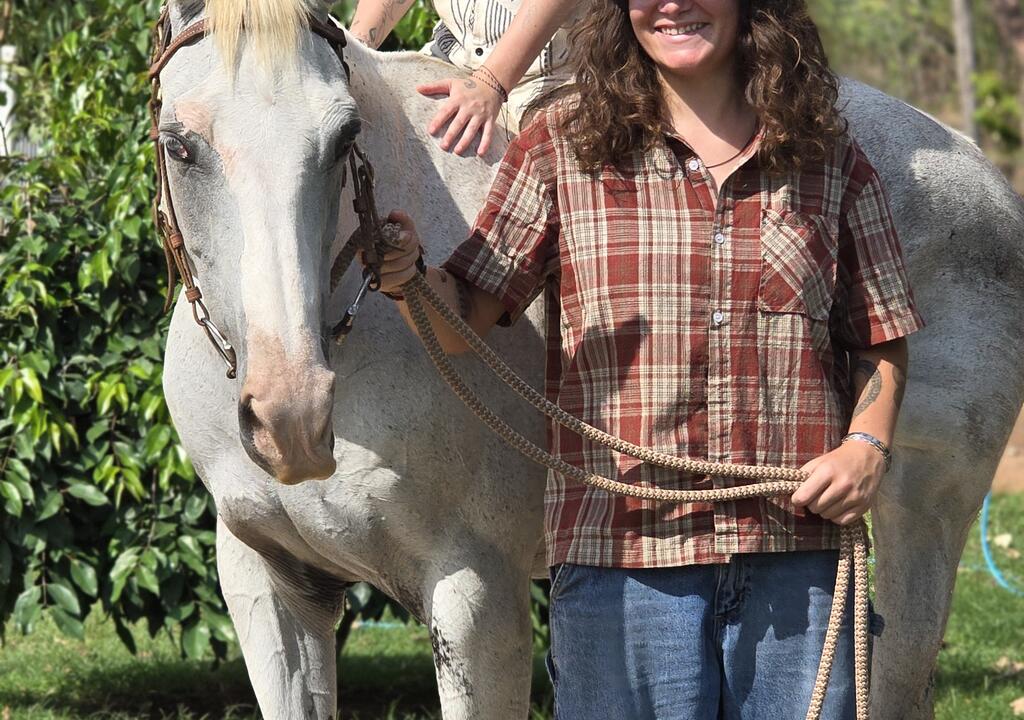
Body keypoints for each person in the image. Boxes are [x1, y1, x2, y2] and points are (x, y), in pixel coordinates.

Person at [363, 0, 925, 717]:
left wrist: (868, 445)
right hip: (620, 563)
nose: (673, 4)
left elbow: (879, 331)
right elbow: (464, 315)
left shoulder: (828, 159)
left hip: (796, 555)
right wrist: (409, 277)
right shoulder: (561, 147)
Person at [349, 0, 580, 155]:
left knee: (570, 192)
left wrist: (491, 81)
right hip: (449, 53)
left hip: (549, 82)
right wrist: (354, 50)